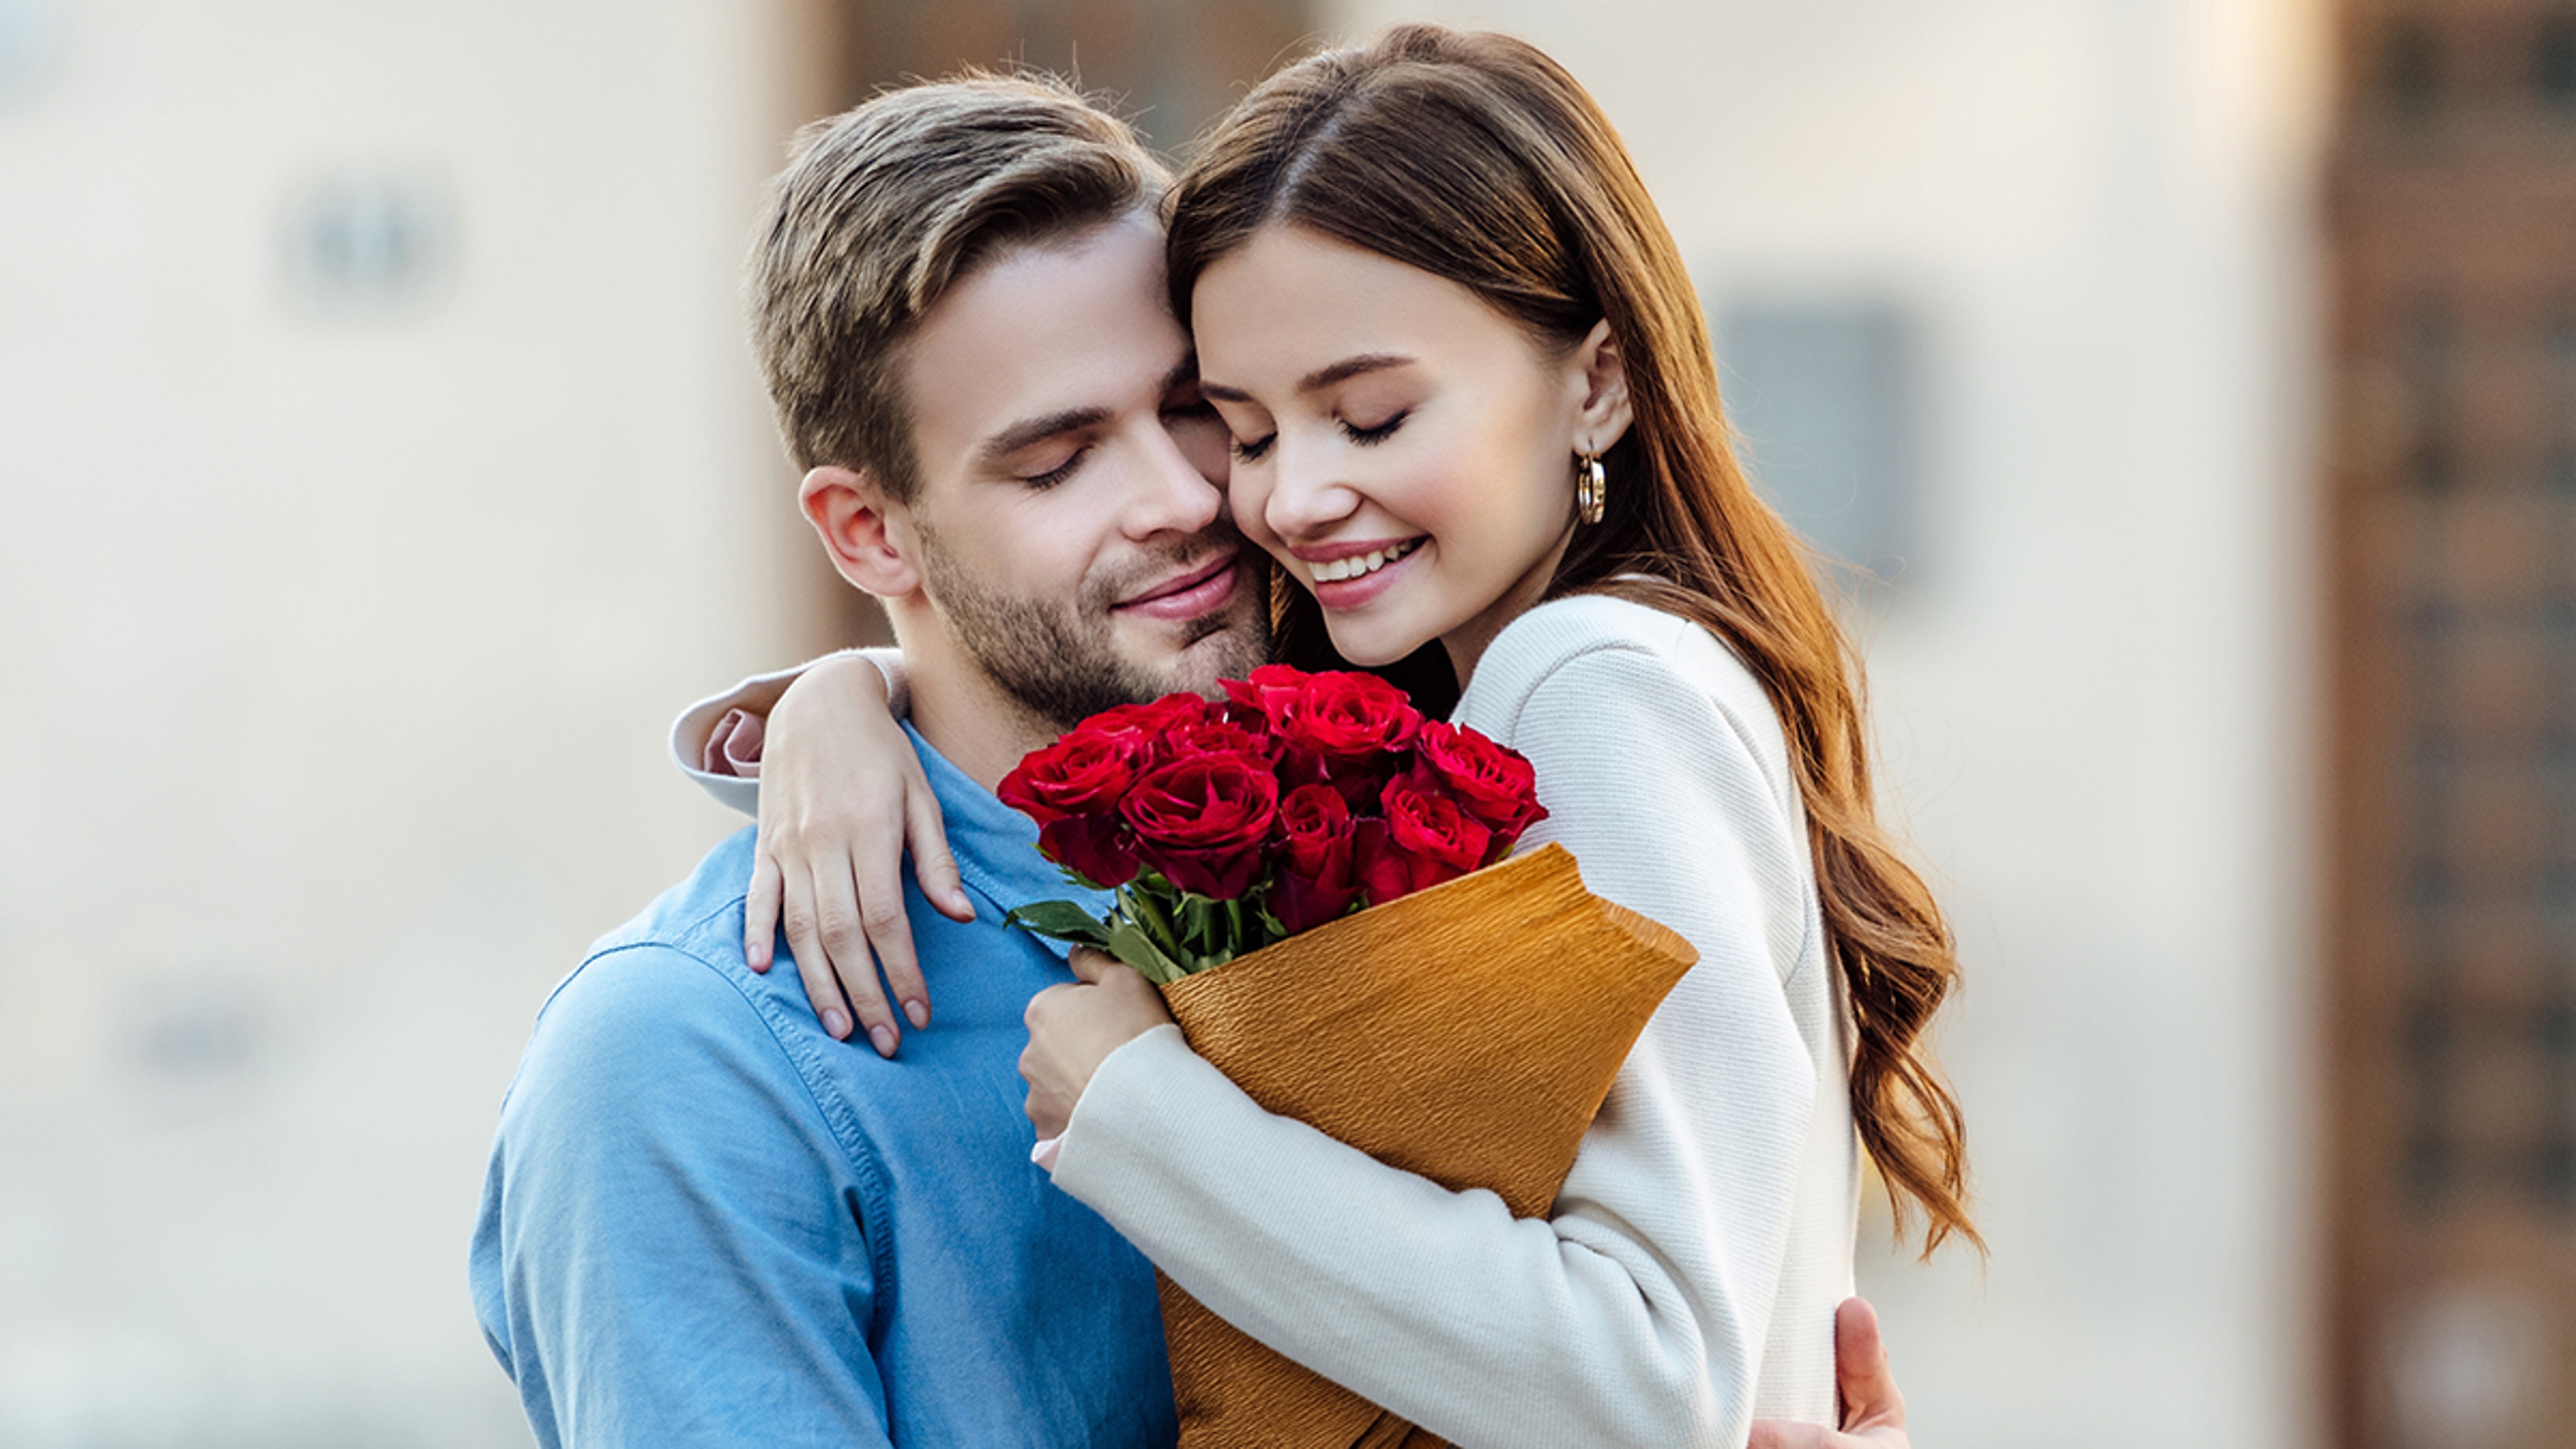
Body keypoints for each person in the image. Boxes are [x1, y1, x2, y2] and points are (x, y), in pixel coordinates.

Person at [686, 25, 1974, 1448]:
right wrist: (846, 697)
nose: (1287, 498)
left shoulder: (1586, 680)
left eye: (1370, 415)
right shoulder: (1452, 688)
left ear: (1597, 381)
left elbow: (1651, 1390)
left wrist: (1136, 1113)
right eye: (1246, 428)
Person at [468, 74, 1263, 1446]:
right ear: (868, 535)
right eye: (1058, 461)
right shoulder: (682, 1059)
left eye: (1194, 406)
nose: (1186, 497)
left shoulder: (1385, 829)